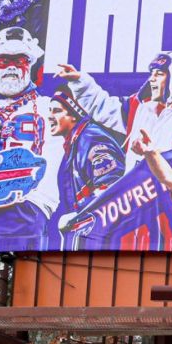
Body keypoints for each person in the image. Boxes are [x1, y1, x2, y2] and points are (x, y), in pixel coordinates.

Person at [0, 27, 63, 252]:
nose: (12, 66)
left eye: (20, 60)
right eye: (4, 60)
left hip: (28, 208)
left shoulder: (50, 106)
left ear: (30, 64)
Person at [44, 86, 124, 248]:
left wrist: (78, 218)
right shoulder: (76, 142)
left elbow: (112, 191)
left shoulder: (91, 139)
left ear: (74, 114)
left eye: (56, 111)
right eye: (49, 110)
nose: (49, 116)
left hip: (108, 238)